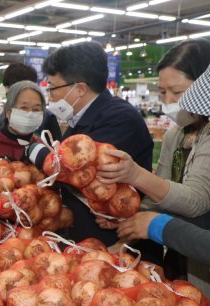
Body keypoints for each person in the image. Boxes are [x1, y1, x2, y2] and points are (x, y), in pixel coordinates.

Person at [96, 39, 210, 292]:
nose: (168, 101)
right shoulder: (175, 134)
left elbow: (196, 200)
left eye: (177, 92)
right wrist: (129, 216)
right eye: (162, 92)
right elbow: (161, 197)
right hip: (180, 251)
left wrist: (136, 175)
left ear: (207, 86)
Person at [26, 41, 154, 250]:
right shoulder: (81, 120)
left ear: (79, 89)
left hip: (119, 245)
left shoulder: (119, 118)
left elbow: (76, 170)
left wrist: (37, 151)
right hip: (91, 238)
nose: (51, 97)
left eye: (53, 88)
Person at [0, 81, 45, 163]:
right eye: (23, 107)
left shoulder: (41, 146)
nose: (30, 114)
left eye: (36, 109)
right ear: (8, 112)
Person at [0, 62, 62, 142]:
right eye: (7, 88)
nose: (8, 93)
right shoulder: (4, 115)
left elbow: (58, 148)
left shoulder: (47, 117)